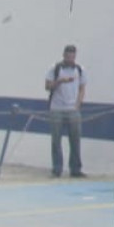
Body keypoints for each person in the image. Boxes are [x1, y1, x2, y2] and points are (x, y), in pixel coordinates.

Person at [45, 44, 87, 178]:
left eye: (72, 56)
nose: (70, 58)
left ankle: (75, 169)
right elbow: (47, 86)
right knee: (56, 140)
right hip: (56, 108)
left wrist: (78, 104)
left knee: (75, 139)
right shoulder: (55, 69)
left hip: (72, 109)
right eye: (68, 56)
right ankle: (57, 168)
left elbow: (82, 88)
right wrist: (60, 81)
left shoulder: (80, 70)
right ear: (64, 55)